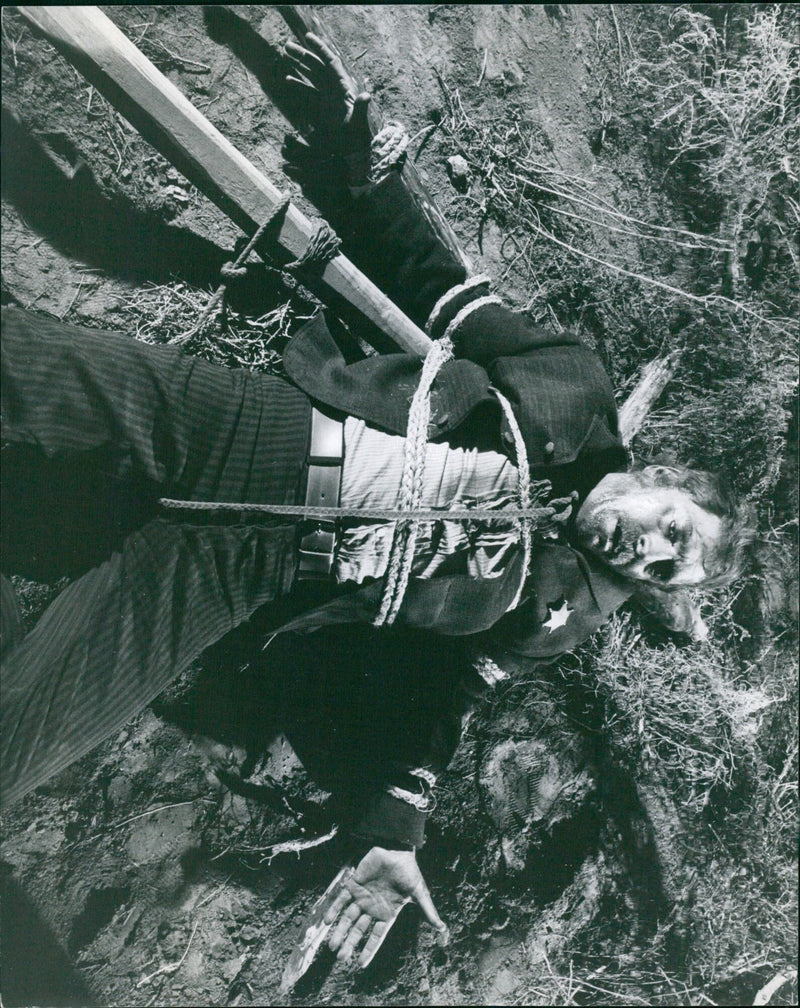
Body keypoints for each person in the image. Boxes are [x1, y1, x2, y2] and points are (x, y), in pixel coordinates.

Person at [0, 32, 750, 986]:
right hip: (248, 432)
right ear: (663, 480)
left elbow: (440, 704)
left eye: (660, 573)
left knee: (22, 740)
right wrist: (345, 151)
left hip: (234, 578)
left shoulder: (553, 618)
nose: (648, 554)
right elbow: (439, 288)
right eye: (671, 531)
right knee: (20, 369)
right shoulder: (575, 391)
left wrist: (396, 828)